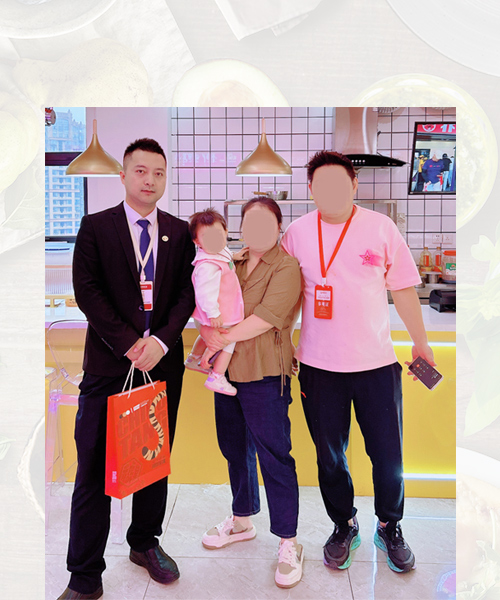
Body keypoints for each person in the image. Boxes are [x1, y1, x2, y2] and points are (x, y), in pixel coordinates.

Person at [281, 151, 436, 574]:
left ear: (354, 185)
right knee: (330, 457)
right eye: (322, 184)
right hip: (318, 367)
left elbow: (403, 288)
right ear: (310, 189)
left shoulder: (381, 227)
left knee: (388, 457)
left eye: (340, 183)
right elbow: (288, 294)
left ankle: (390, 525)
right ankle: (344, 524)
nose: (331, 191)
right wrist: (286, 339)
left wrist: (421, 342)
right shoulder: (296, 233)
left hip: (376, 366)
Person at [58, 138, 195, 600]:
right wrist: (130, 344)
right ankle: (84, 575)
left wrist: (159, 342)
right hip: (108, 365)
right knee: (93, 468)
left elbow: (186, 295)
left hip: (162, 365)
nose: (149, 180)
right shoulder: (96, 226)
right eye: (140, 171)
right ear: (123, 175)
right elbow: (87, 291)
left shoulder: (178, 232)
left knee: (153, 460)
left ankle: (144, 543)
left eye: (158, 173)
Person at [200, 197, 304, 589]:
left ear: (279, 228)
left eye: (266, 223)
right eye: (250, 223)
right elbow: (207, 300)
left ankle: (288, 540)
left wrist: (218, 336)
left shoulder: (287, 266)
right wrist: (206, 328)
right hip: (227, 374)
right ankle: (242, 520)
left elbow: (265, 318)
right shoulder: (230, 260)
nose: (257, 230)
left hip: (265, 373)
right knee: (234, 449)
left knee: (275, 456)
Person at [184, 208, 244, 395]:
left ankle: (194, 358)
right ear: (197, 241)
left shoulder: (218, 251)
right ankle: (217, 376)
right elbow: (205, 293)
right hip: (220, 312)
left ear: (226, 232)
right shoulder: (208, 265)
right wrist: (213, 313)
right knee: (229, 341)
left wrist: (234, 256)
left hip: (215, 311)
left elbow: (224, 255)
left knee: (207, 335)